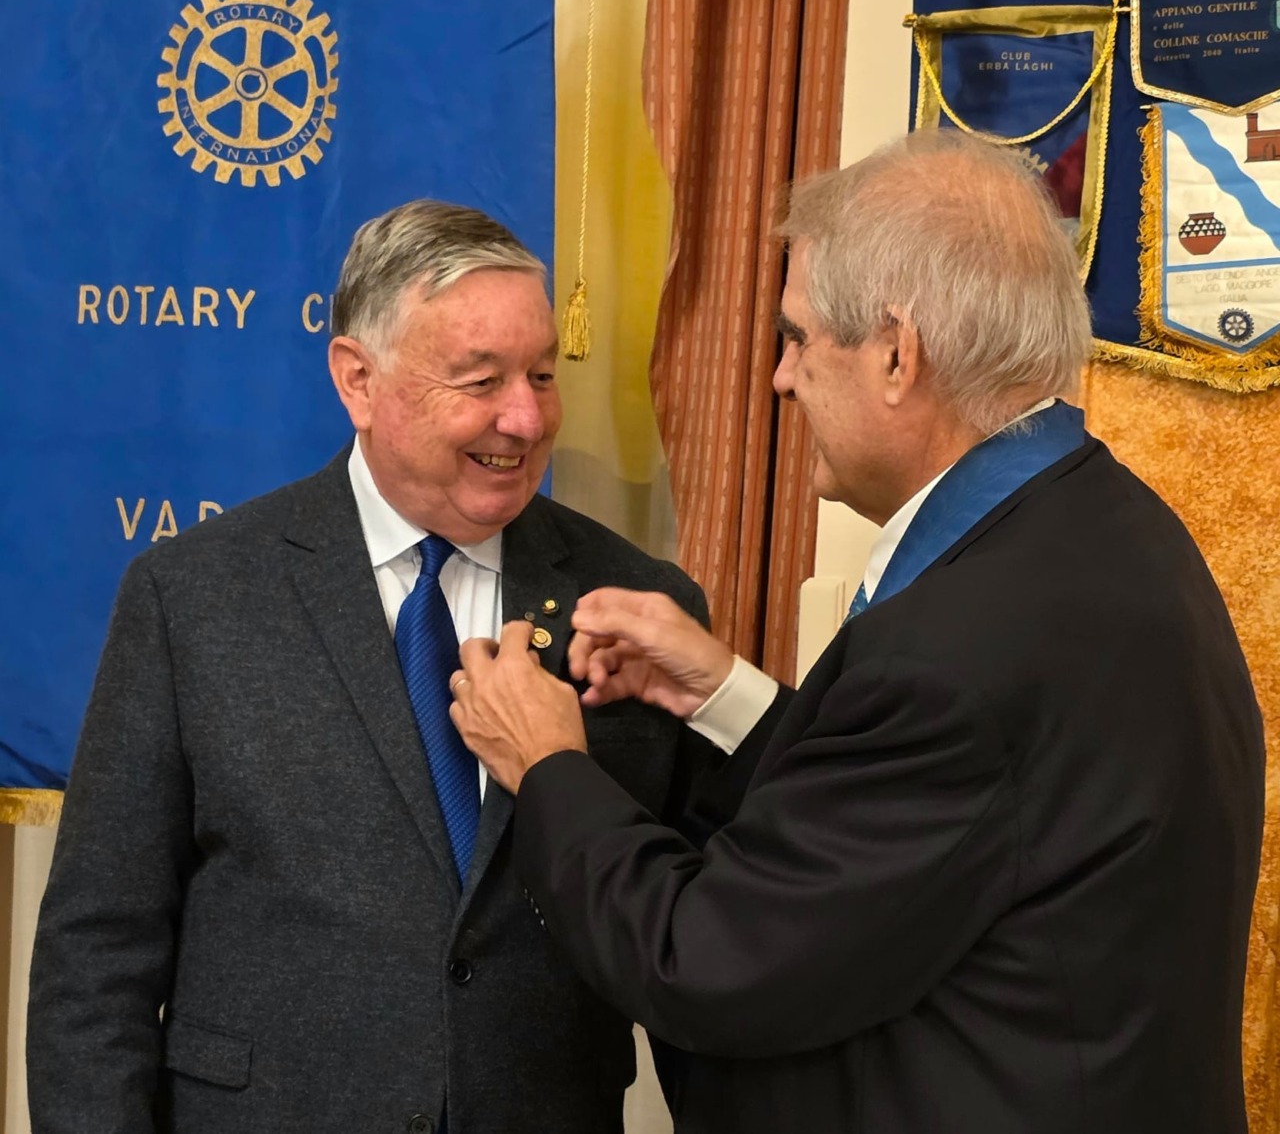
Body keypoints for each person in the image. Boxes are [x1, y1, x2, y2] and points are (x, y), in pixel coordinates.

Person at [449, 131, 1267, 1134]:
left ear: (893, 352)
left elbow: (704, 959)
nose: (780, 378)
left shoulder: (956, 648)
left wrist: (546, 766)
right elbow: (918, 832)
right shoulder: (1102, 523)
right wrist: (726, 695)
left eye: (796, 338)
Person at [27, 200, 719, 1134]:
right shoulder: (191, 596)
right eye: (482, 379)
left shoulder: (640, 605)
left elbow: (696, 938)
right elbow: (98, 951)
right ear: (359, 378)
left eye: (544, 375)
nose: (525, 417)